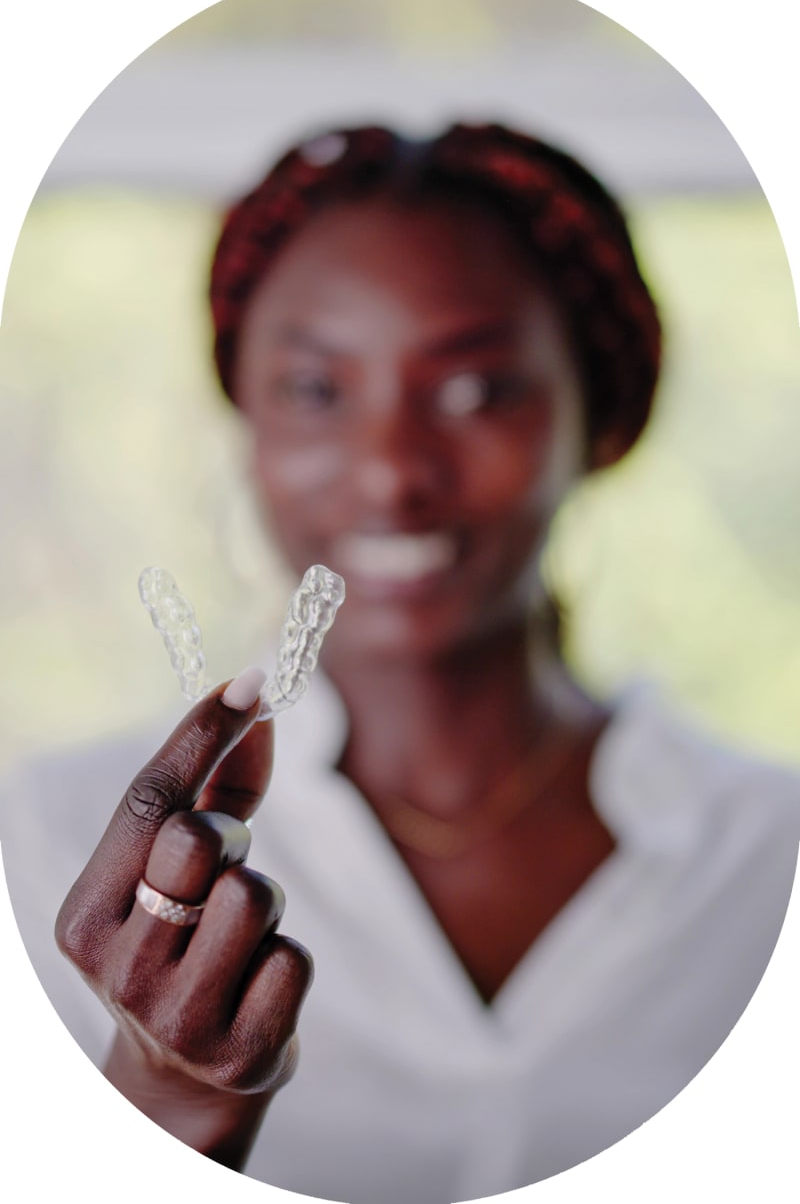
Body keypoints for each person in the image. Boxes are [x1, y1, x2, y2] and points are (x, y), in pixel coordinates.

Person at [2, 122, 799, 1204]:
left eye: (474, 391)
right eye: (316, 392)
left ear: (601, 417)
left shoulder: (766, 862)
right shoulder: (39, 844)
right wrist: (167, 1102)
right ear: (245, 413)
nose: (389, 475)